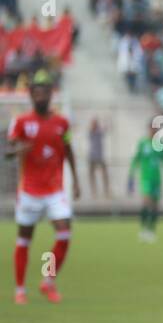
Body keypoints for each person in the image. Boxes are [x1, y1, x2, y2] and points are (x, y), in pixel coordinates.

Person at [7, 71, 79, 304]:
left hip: (54, 191)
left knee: (64, 232)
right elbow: (7, 152)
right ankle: (20, 289)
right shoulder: (21, 122)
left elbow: (68, 150)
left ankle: (47, 279)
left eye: (45, 92)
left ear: (50, 94)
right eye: (36, 92)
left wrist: (76, 179)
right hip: (29, 191)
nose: (40, 96)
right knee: (24, 239)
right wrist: (20, 151)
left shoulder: (62, 123)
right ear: (31, 95)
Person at [127, 120, 163, 242]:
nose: (153, 131)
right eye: (152, 128)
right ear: (148, 129)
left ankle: (151, 230)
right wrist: (131, 176)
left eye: (156, 129)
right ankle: (143, 229)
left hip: (156, 179)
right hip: (145, 178)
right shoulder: (143, 143)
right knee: (146, 202)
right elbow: (136, 159)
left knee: (155, 206)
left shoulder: (160, 143)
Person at [87, 117, 110, 197]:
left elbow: (105, 129)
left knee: (104, 173)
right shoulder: (91, 132)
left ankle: (106, 190)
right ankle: (94, 191)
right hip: (92, 156)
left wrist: (106, 122)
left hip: (99, 156)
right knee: (91, 174)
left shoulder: (98, 132)